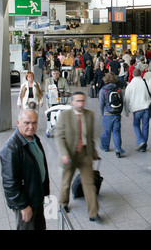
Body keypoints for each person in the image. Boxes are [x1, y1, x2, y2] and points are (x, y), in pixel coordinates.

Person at [55, 92, 102, 223]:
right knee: (66, 182)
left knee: (89, 184)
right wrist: (64, 153)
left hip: (85, 154)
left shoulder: (89, 115)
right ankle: (63, 203)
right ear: (72, 102)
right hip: (70, 155)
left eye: (82, 101)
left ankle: (93, 213)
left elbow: (91, 137)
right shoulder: (65, 116)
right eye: (77, 101)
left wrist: (94, 153)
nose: (80, 103)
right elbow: (59, 136)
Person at [0, 109, 50, 230]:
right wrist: (23, 206)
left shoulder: (34, 139)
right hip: (26, 203)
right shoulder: (11, 149)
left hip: (37, 196)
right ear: (18, 123)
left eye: (34, 123)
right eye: (26, 123)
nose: (31, 126)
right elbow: (10, 183)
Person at [124, 69, 151, 152]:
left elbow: (126, 99)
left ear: (132, 75)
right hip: (146, 107)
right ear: (141, 74)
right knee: (145, 126)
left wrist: (127, 111)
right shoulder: (144, 83)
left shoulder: (130, 85)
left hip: (136, 109)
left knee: (136, 125)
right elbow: (149, 94)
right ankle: (143, 146)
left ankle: (140, 140)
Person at [99, 72, 125, 158]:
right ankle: (118, 149)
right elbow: (121, 101)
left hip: (107, 114)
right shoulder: (118, 89)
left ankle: (105, 147)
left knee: (107, 131)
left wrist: (102, 113)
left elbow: (101, 104)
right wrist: (119, 112)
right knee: (116, 132)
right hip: (116, 114)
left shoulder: (103, 90)